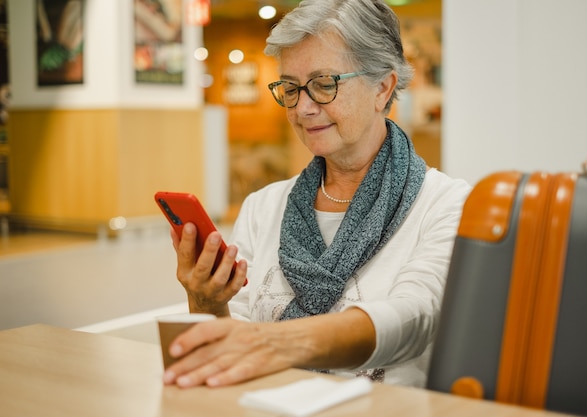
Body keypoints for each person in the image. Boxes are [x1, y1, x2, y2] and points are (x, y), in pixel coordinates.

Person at [162, 0, 471, 389]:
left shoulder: (446, 204)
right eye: (290, 88)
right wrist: (206, 300)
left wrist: (277, 343)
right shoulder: (263, 207)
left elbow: (414, 318)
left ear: (383, 87)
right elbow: (228, 351)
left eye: (324, 84)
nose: (303, 108)